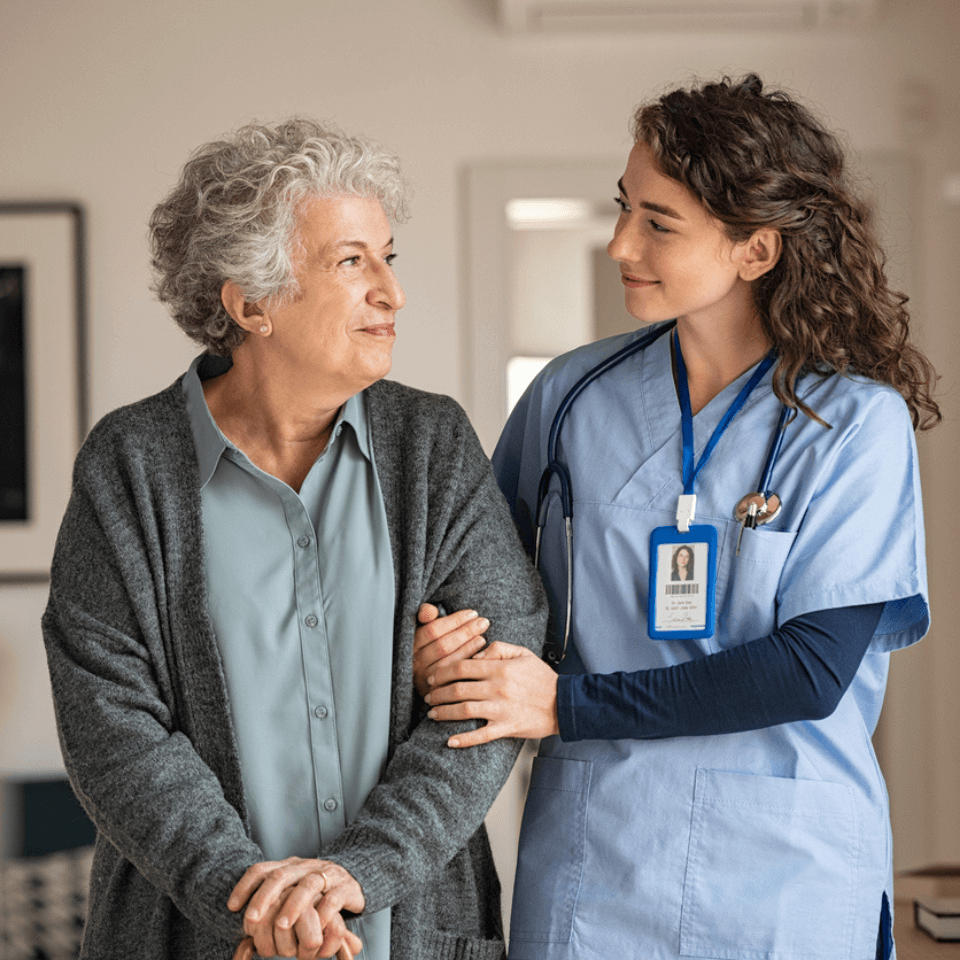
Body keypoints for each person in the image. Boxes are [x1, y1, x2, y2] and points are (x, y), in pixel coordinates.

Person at [416, 75, 939, 959]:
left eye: (659, 223)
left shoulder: (854, 424)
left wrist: (565, 705)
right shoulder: (568, 398)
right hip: (598, 860)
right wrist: (450, 645)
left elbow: (810, 670)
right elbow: (481, 585)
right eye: (624, 209)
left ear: (756, 250)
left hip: (786, 871)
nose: (620, 242)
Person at [41, 119, 546, 960]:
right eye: (353, 262)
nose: (392, 292)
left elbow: (495, 690)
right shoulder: (129, 466)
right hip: (197, 935)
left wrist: (358, 875)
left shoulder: (433, 445)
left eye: (389, 257)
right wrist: (254, 904)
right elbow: (111, 727)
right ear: (250, 303)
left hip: (411, 933)